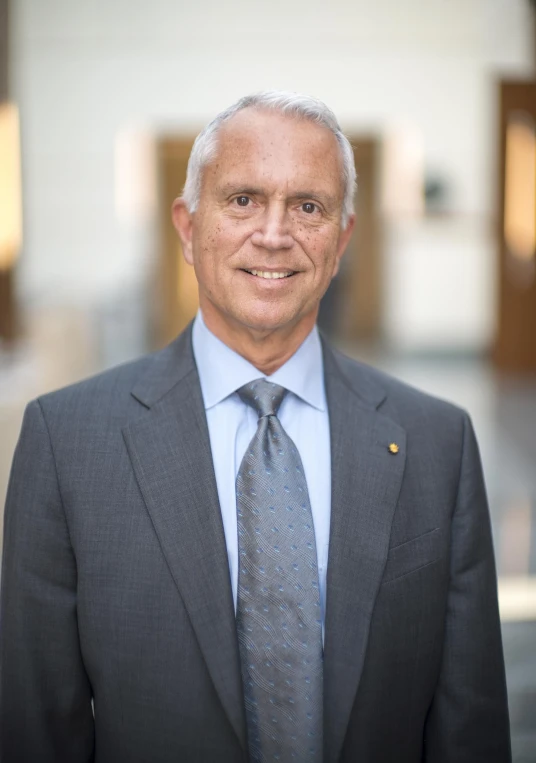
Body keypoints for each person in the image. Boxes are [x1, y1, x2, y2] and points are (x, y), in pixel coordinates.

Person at [0, 91, 511, 763]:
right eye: (242, 200)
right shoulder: (67, 444)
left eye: (308, 206)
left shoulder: (437, 443)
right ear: (187, 227)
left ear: (342, 239)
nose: (274, 234)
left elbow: (469, 724)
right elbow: (37, 725)